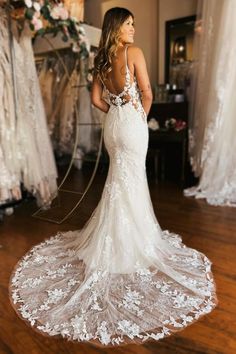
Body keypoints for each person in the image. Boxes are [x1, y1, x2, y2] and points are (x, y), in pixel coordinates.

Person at [9, 7, 217, 347]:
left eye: (135, 23)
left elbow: (95, 99)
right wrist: (136, 115)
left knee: (117, 181)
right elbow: (147, 93)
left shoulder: (101, 59)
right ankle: (132, 243)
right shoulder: (133, 53)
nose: (133, 29)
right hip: (132, 125)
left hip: (112, 127)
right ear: (117, 26)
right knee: (130, 181)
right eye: (129, 23)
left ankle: (115, 237)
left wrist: (116, 112)